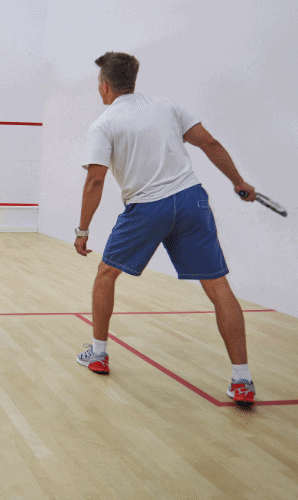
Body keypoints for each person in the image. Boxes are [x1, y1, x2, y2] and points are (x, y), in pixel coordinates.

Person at [73, 52, 257, 407]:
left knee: (105, 274)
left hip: (147, 208)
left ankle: (97, 354)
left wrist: (82, 230)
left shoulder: (104, 123)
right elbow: (210, 143)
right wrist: (238, 182)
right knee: (219, 286)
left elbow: (95, 180)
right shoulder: (167, 106)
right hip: (191, 201)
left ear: (105, 85)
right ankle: (242, 379)